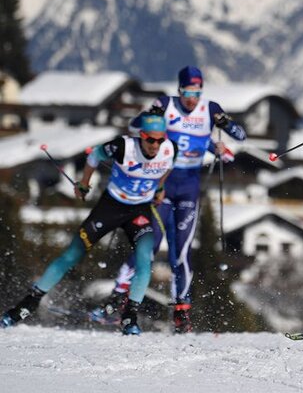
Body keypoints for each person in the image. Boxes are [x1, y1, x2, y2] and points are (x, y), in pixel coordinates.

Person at [92, 66, 246, 333]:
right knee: (149, 246)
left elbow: (239, 135)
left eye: (196, 92)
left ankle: (181, 312)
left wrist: (221, 136)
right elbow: (136, 126)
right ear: (179, 90)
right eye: (187, 92)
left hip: (188, 188)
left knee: (181, 252)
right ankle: (116, 300)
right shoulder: (166, 104)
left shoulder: (210, 109)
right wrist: (150, 115)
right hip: (161, 185)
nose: (191, 98)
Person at [1, 114, 176, 335]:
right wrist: (84, 183)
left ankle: (130, 316)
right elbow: (94, 156)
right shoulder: (123, 146)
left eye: (160, 140)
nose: (156, 145)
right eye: (151, 140)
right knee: (72, 254)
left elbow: (167, 167)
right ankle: (28, 304)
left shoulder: (170, 149)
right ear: (141, 136)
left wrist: (159, 189)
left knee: (144, 260)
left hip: (139, 211)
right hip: (111, 207)